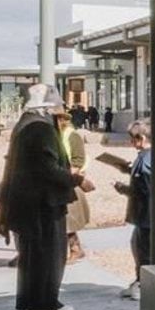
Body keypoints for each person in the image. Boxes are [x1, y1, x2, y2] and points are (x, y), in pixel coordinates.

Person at [0, 114, 79, 310]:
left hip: (28, 202)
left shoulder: (24, 125)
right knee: (49, 254)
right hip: (45, 203)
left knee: (31, 255)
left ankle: (27, 302)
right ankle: (44, 304)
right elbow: (47, 168)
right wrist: (76, 180)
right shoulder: (42, 129)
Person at [116, 123, 152, 297]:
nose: (131, 142)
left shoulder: (146, 159)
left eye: (133, 138)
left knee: (142, 249)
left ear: (142, 139)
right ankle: (140, 281)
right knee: (139, 246)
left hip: (146, 214)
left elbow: (144, 190)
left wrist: (123, 188)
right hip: (145, 215)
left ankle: (142, 283)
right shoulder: (147, 157)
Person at [55, 104, 90, 260]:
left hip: (68, 181)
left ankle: (75, 249)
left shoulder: (71, 135)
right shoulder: (52, 135)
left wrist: (66, 175)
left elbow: (78, 160)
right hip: (57, 180)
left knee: (69, 217)